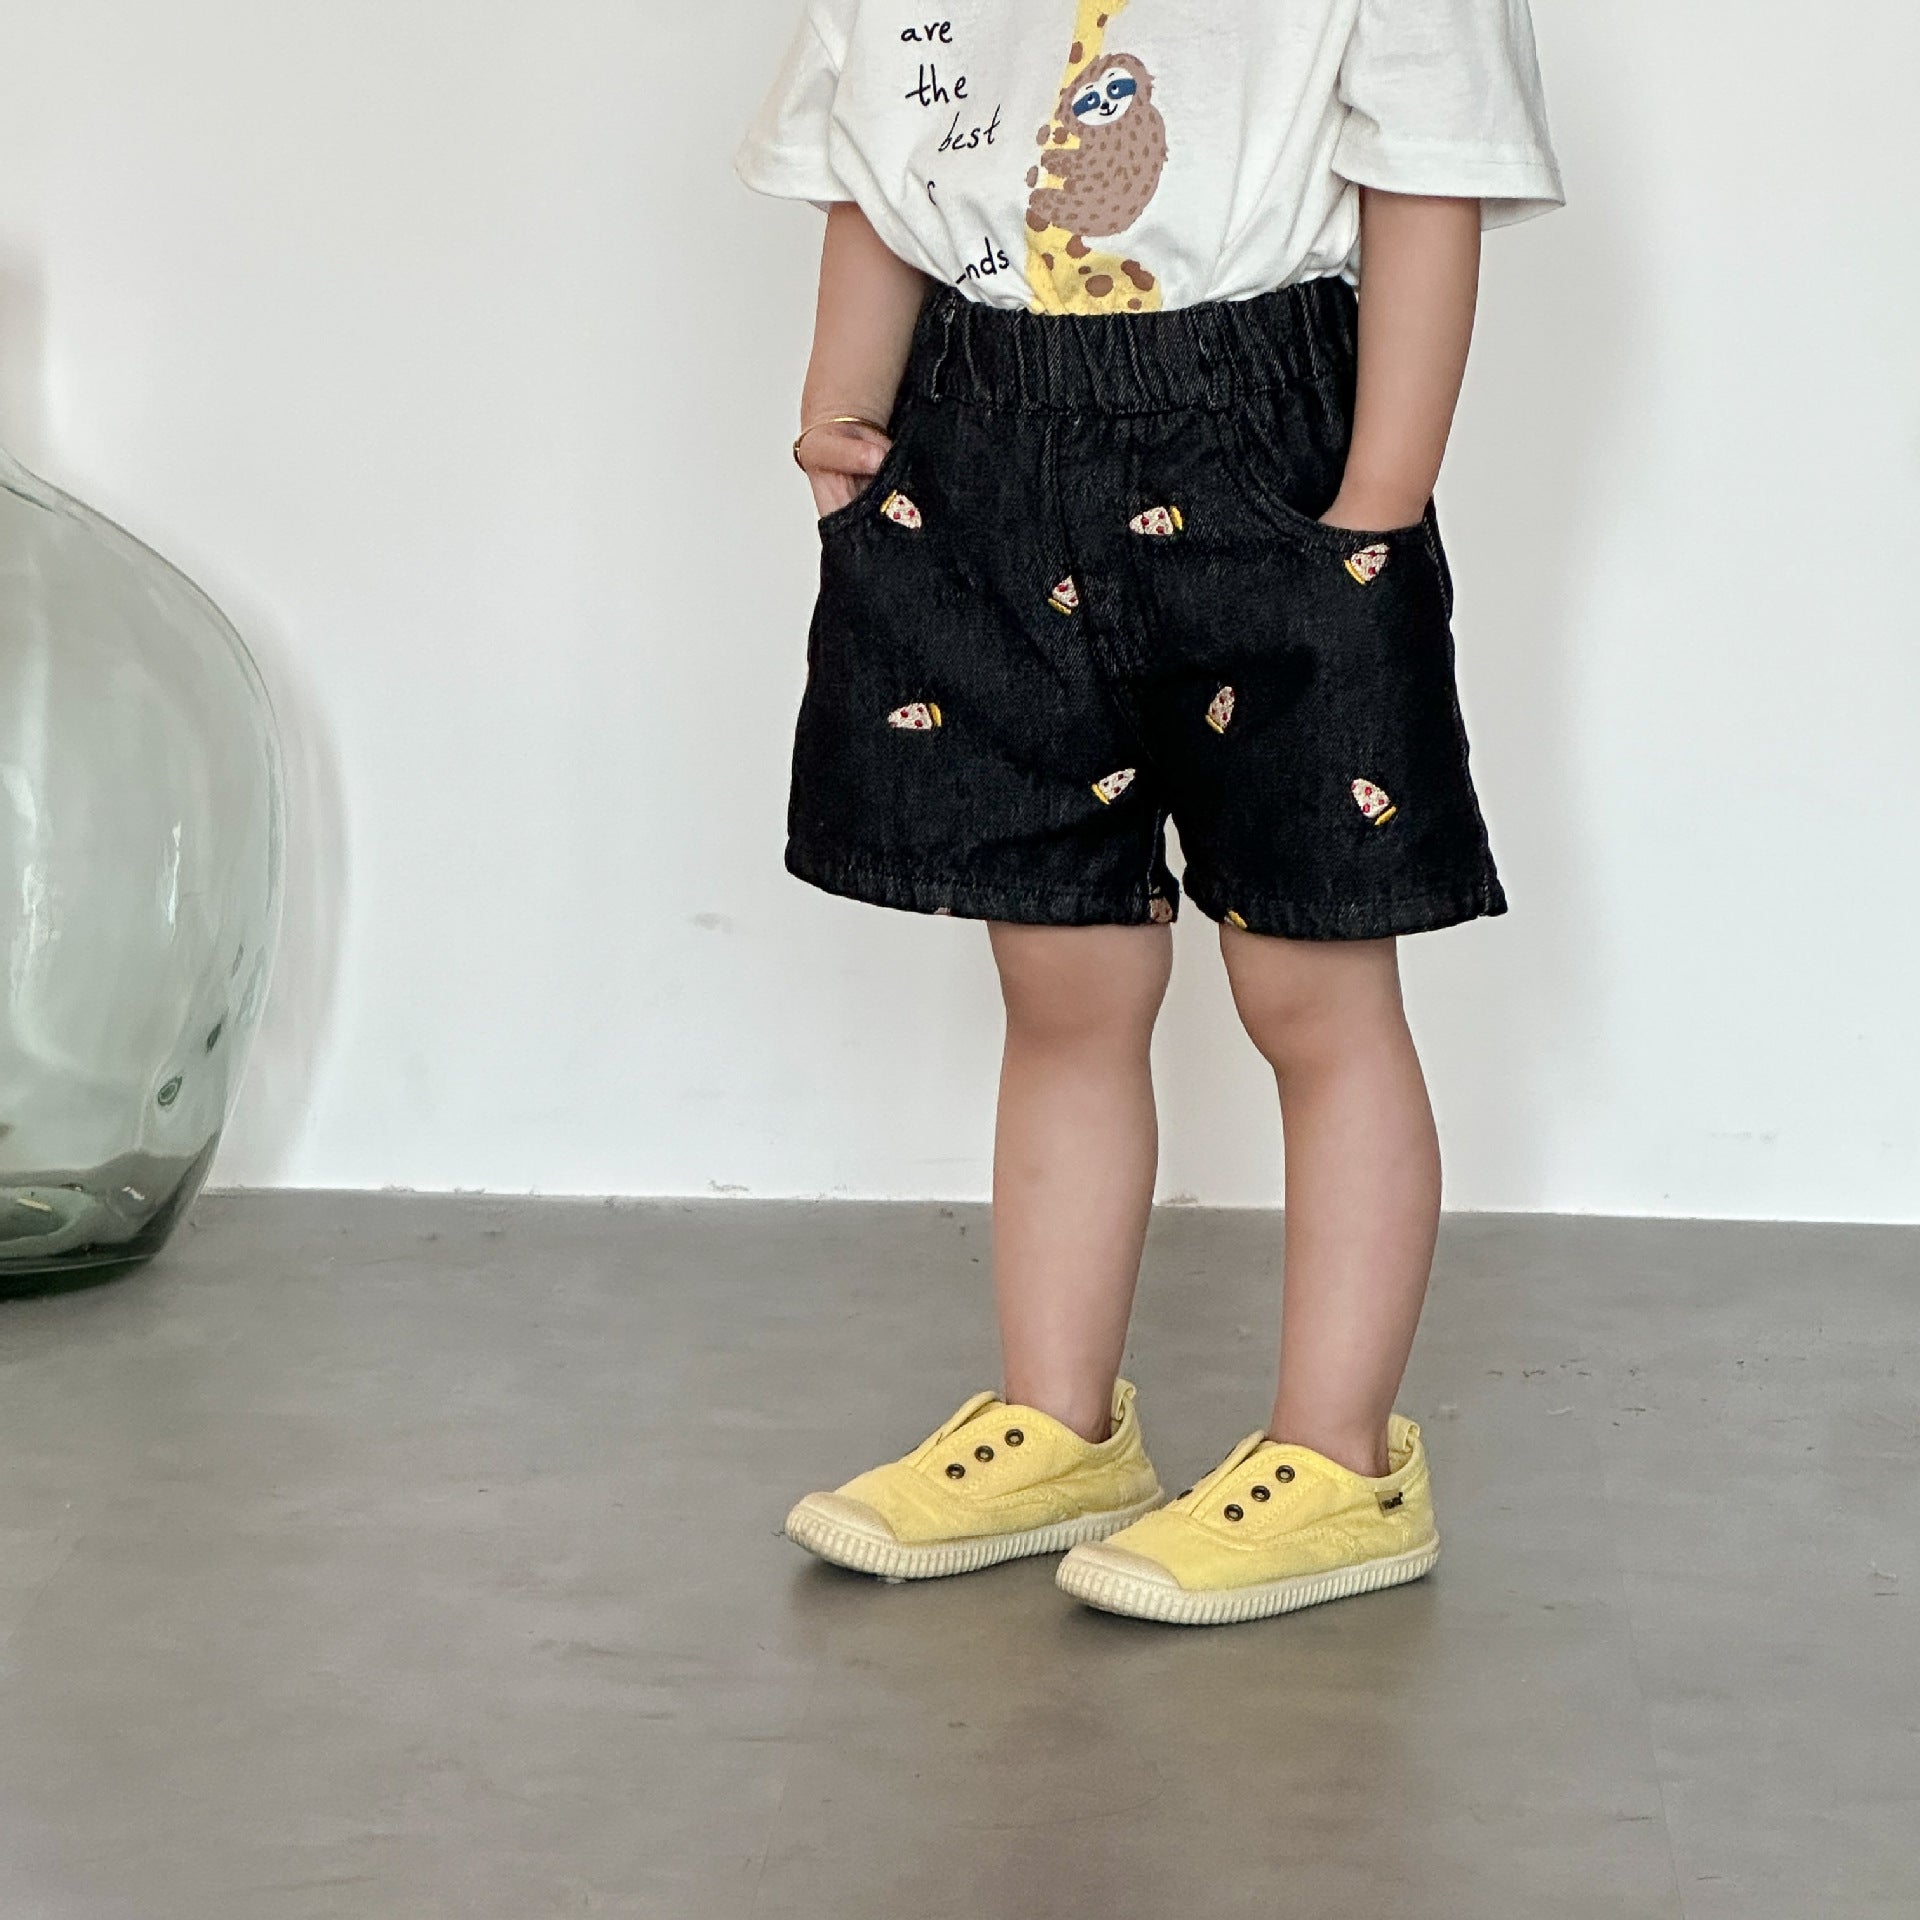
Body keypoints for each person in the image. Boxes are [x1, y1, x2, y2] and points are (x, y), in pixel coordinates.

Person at [734, 0, 1562, 1626]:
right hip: (976, 452)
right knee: (1060, 974)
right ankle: (1059, 1423)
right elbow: (879, 168)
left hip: (1271, 455)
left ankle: (1339, 1457)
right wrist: (843, 418)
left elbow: (1429, 187)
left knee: (1312, 982)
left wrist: (1375, 513)